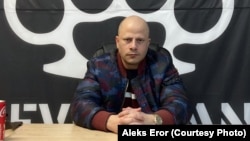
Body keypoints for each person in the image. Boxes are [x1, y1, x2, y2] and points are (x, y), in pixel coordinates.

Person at [70, 15, 193, 133]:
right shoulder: (99, 66)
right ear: (117, 42)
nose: (133, 46)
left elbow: (181, 105)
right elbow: (80, 104)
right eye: (127, 40)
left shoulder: (162, 64)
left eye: (140, 40)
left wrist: (151, 120)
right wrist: (111, 121)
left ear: (148, 43)